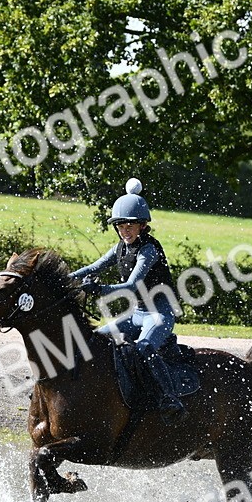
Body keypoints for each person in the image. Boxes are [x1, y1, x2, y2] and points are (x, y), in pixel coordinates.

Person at [70, 179, 187, 422]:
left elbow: (132, 285)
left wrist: (100, 289)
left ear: (143, 226)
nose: (125, 230)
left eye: (130, 226)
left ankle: (169, 398)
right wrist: (64, 279)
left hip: (159, 315)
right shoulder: (119, 248)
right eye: (121, 226)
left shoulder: (149, 250)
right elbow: (94, 266)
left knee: (143, 349)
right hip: (137, 314)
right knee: (96, 339)